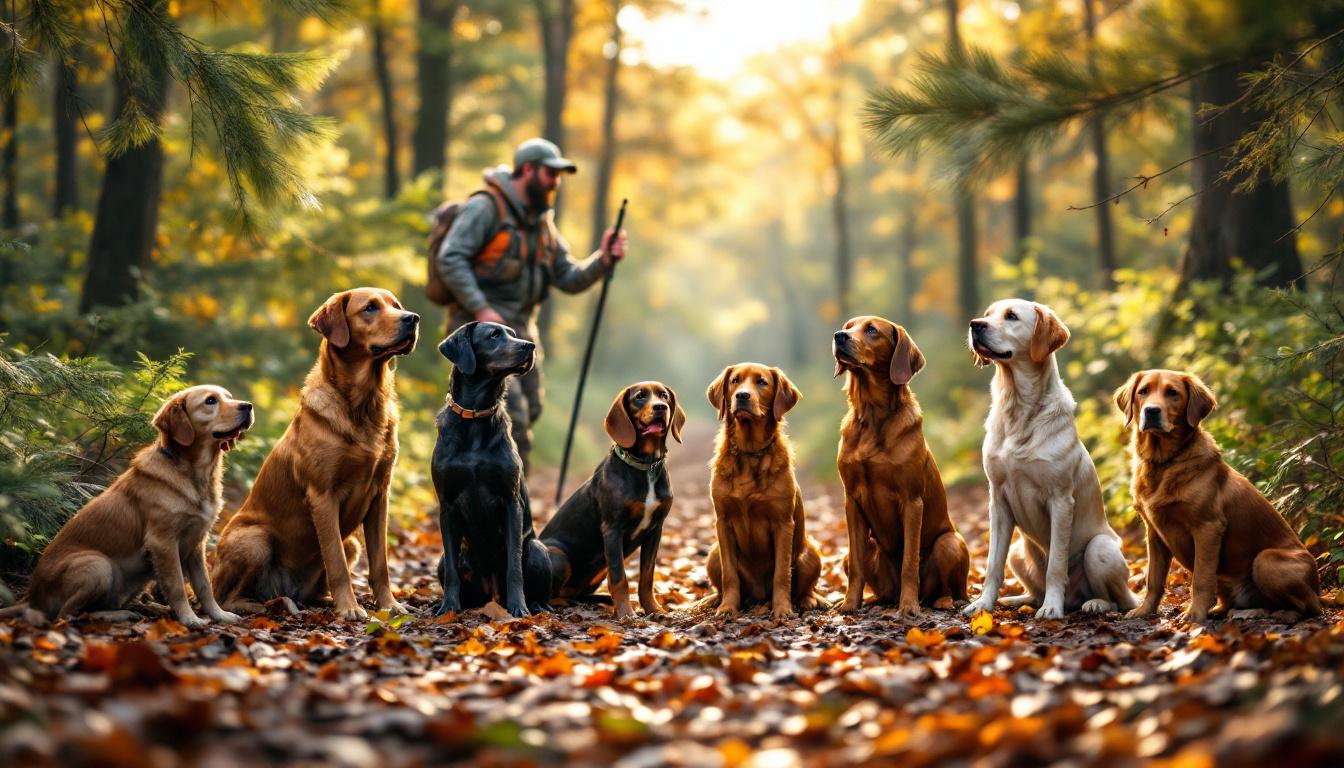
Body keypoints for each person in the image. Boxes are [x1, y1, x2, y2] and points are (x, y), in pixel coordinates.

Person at [436, 137, 627, 474]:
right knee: (517, 422)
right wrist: (481, 308)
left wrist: (603, 259)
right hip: (481, 336)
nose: (556, 181)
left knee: (532, 408)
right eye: (550, 173)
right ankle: (513, 516)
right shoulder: (485, 208)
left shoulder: (542, 225)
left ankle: (489, 496)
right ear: (528, 170)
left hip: (521, 330)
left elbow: (568, 277)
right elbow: (450, 258)